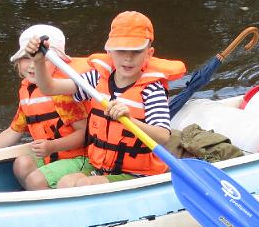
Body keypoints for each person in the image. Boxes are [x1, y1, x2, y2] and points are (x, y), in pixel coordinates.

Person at [25, 11, 185, 188]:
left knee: (84, 185)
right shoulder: (97, 78)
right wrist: (39, 62)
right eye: (121, 51)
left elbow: (163, 136)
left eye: (136, 52)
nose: (128, 58)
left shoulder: (152, 89)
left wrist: (129, 119)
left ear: (149, 53)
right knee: (66, 182)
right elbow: (49, 88)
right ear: (109, 51)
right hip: (101, 167)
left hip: (136, 175)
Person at [0, 24, 89, 190]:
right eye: (26, 58)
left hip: (80, 157)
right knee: (21, 164)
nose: (32, 65)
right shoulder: (27, 91)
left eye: (42, 60)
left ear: (58, 62)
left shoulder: (61, 93)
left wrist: (53, 146)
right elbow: (13, 131)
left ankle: (54, 210)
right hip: (52, 155)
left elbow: (85, 134)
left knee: (36, 180)